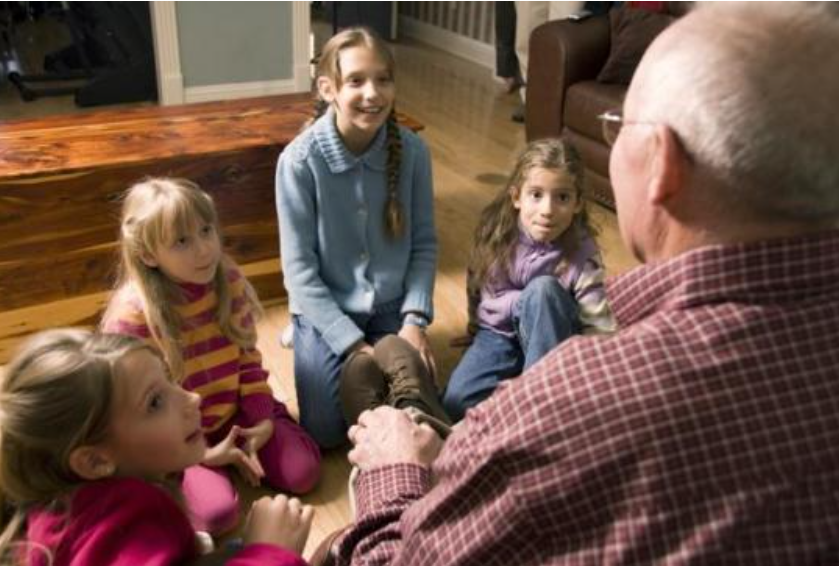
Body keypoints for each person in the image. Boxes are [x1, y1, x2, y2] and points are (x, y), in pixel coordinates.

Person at [333, 3, 839, 563]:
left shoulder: (566, 406)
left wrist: (395, 471)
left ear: (661, 165)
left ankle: (408, 412)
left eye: (617, 128)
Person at [101, 178, 321, 536]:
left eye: (206, 230)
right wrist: (200, 453)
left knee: (304, 473)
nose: (204, 249)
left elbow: (247, 357)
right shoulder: (131, 318)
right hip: (176, 435)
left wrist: (262, 419)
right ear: (148, 255)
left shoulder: (227, 280)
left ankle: (252, 443)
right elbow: (137, 412)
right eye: (182, 241)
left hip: (236, 413)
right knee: (218, 516)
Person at [0, 329, 313, 566]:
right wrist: (269, 553)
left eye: (170, 379)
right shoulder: (124, 536)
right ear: (94, 461)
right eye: (155, 402)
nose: (192, 399)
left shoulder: (78, 497)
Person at [276, 27, 448, 450]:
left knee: (415, 402)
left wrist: (414, 322)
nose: (372, 93)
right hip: (327, 306)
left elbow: (424, 243)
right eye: (356, 80)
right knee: (325, 432)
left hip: (390, 305)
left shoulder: (413, 152)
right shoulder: (299, 162)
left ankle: (388, 356)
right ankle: (304, 333)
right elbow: (299, 272)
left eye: (383, 79)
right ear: (328, 89)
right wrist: (352, 345)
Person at [444, 138, 615, 421]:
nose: (547, 210)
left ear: (577, 203)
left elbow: (599, 326)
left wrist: (594, 377)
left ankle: (536, 403)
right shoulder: (496, 233)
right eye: (536, 195)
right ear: (516, 197)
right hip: (498, 335)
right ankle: (516, 396)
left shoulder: (582, 252)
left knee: (543, 290)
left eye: (562, 197)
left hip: (555, 341)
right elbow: (476, 284)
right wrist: (474, 330)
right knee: (456, 403)